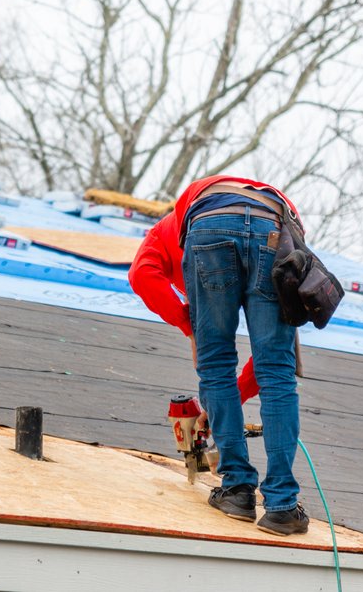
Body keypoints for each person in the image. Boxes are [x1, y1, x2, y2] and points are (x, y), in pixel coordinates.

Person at [128, 175, 309, 536]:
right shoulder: (181, 230)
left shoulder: (167, 230)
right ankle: (282, 508)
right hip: (276, 228)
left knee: (215, 366)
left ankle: (238, 491)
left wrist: (190, 326)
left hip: (209, 224)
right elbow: (271, 364)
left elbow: (141, 275)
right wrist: (229, 401)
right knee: (278, 372)